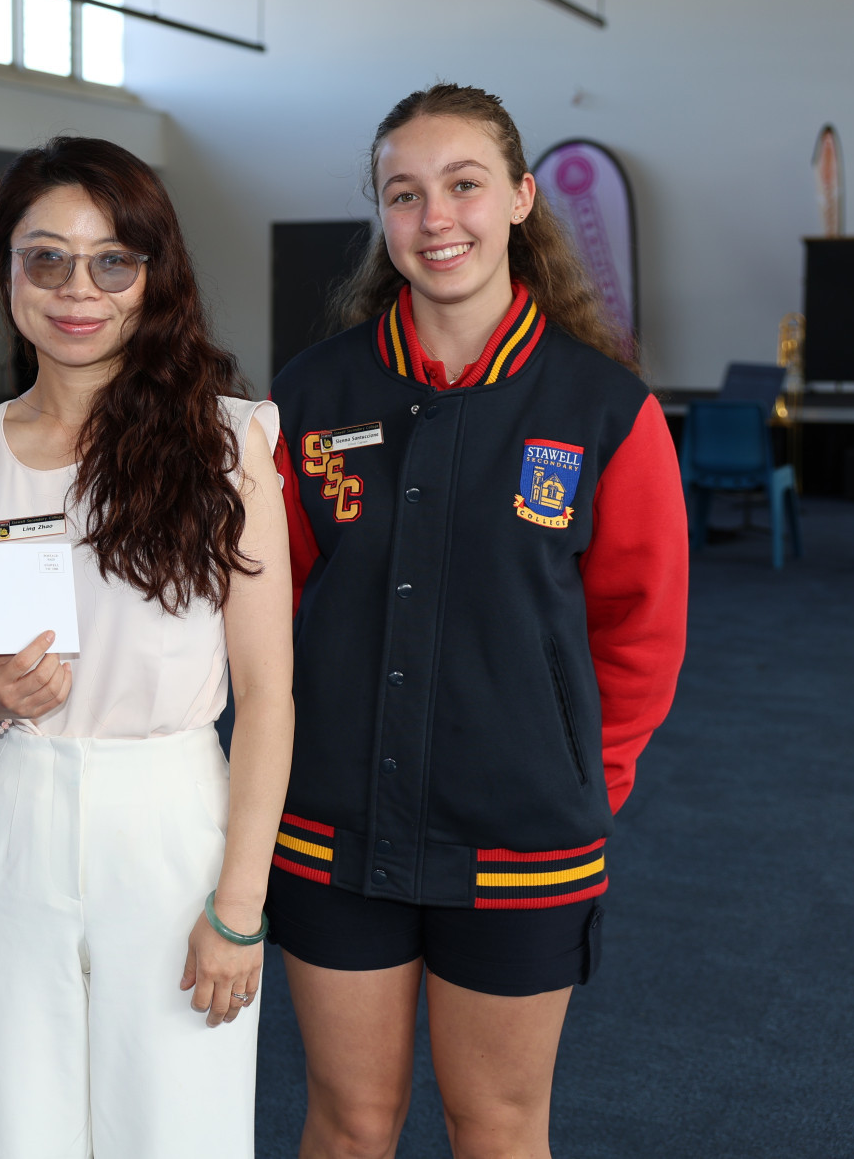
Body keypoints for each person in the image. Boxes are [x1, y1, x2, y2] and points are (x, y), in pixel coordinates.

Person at [265, 83, 688, 1159]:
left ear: (517, 199)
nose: (433, 217)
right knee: (350, 1124)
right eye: (401, 194)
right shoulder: (313, 396)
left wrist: (581, 774)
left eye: (461, 185)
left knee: (494, 1126)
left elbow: (639, 628)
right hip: (329, 827)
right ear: (380, 215)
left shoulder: (602, 408)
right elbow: (266, 610)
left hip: (522, 836)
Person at [0, 136, 296, 1158]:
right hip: (10, 820)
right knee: (10, 1125)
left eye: (111, 260)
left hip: (170, 824)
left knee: (174, 1125)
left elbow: (267, 694)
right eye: (47, 258)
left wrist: (239, 906)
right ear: (5, 273)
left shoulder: (227, 444)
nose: (78, 289)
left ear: (150, 275)